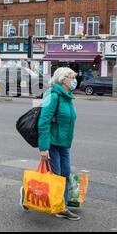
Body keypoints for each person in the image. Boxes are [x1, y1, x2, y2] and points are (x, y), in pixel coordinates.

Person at [37, 67, 80, 221]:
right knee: (58, 176)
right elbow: (44, 121)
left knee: (65, 172)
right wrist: (44, 147)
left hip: (64, 144)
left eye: (74, 76)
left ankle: (61, 202)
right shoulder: (54, 95)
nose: (74, 80)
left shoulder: (68, 97)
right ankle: (60, 207)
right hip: (53, 143)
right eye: (71, 77)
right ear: (63, 79)